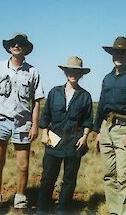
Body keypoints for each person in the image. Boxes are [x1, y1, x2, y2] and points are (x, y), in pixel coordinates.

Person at [0, 33, 44, 209]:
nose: (16, 46)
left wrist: (35, 125)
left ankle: (20, 200)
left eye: (20, 44)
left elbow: (36, 102)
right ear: (9, 47)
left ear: (25, 48)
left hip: (23, 123)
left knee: (23, 166)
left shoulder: (33, 71)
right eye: (13, 44)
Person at [94, 36, 126, 215]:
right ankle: (113, 210)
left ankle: (125, 212)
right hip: (106, 129)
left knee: (123, 176)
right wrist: (97, 131)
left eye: (122, 52)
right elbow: (101, 105)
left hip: (124, 129)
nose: (118, 55)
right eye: (116, 52)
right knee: (109, 174)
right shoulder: (107, 78)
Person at [36, 56, 93, 214]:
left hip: (74, 141)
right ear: (65, 72)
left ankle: (63, 208)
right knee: (48, 177)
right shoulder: (54, 92)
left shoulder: (85, 96)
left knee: (69, 179)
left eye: (76, 71)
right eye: (70, 70)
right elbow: (45, 115)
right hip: (53, 139)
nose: (72, 74)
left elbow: (88, 120)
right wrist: (44, 134)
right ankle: (43, 208)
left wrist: (84, 136)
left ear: (81, 74)